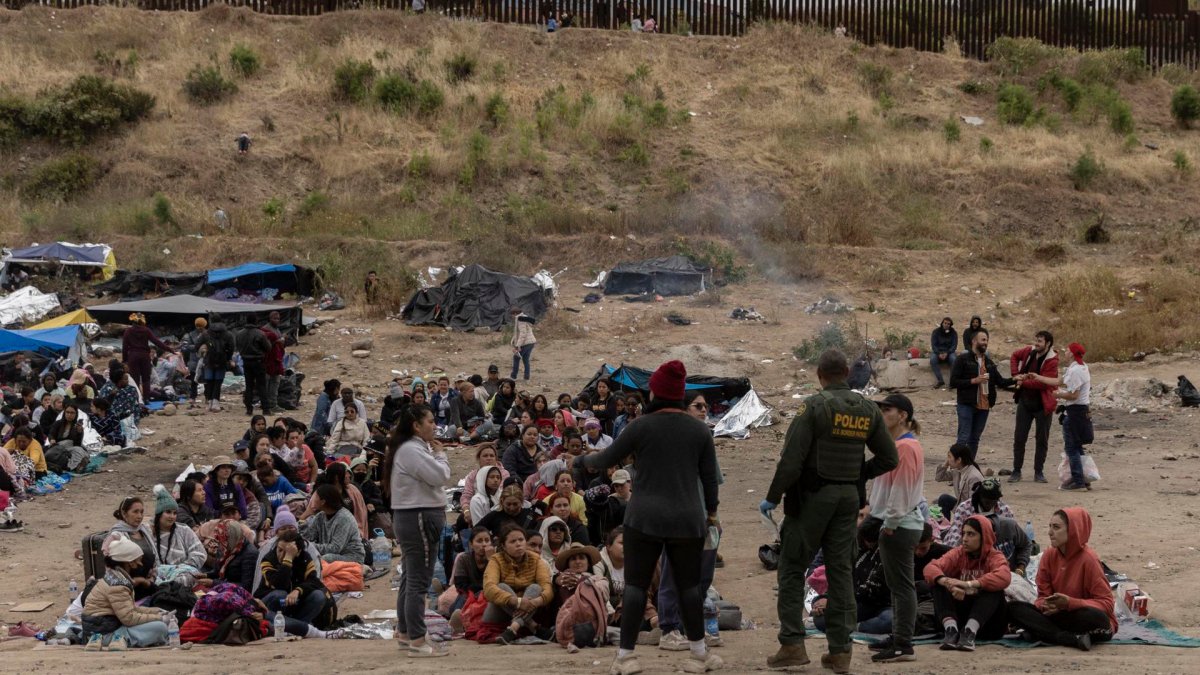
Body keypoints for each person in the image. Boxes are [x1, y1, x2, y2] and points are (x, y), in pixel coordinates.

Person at [761, 349, 898, 673]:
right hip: (849, 499)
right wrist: (858, 474)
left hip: (812, 498)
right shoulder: (867, 408)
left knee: (793, 567)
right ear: (847, 372)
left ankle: (792, 644)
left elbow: (791, 460)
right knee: (841, 572)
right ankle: (840, 652)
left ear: (820, 375)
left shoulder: (814, 406)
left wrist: (772, 497)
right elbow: (889, 458)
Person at [582, 360, 721, 675]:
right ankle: (699, 655)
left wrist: (582, 458)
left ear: (656, 390)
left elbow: (605, 458)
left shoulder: (640, 425)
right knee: (688, 587)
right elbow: (709, 480)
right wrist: (710, 513)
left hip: (644, 518)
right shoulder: (700, 430)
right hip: (688, 518)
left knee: (635, 587)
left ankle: (626, 658)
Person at [382, 403, 451, 658]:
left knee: (411, 577)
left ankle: (405, 632)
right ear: (416, 425)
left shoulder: (410, 448)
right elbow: (440, 476)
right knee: (419, 581)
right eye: (430, 421)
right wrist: (442, 455)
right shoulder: (412, 449)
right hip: (419, 516)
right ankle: (418, 640)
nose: (434, 425)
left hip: (413, 516)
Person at [867, 394, 926, 663]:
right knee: (897, 585)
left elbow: (901, 490)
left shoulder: (906, 448)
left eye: (887, 409)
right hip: (895, 522)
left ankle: (903, 643)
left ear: (902, 415)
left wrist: (889, 524)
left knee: (902, 587)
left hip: (900, 525)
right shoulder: (896, 445)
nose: (881, 414)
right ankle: (898, 636)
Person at [1008, 508, 1116, 651]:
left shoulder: (1089, 559)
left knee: (1096, 617)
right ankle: (1069, 639)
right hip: (1059, 616)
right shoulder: (1048, 555)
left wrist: (1070, 603)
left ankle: (1045, 633)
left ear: (1073, 530)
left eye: (1056, 527)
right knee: (1013, 608)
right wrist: (1046, 605)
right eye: (1050, 527)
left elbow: (1107, 604)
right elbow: (1042, 597)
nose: (1050, 532)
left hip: (1083, 618)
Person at [924, 515, 1011, 651]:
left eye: (971, 534)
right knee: (937, 583)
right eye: (964, 533)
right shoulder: (958, 553)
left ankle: (970, 632)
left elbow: (1004, 576)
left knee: (993, 589)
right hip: (960, 619)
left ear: (984, 536)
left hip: (987, 624)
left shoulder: (994, 556)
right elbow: (930, 568)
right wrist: (948, 583)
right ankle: (951, 630)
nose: (964, 539)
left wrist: (968, 584)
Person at [81, 535, 170, 650]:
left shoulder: (115, 578)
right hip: (103, 634)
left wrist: (158, 612)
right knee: (160, 628)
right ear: (130, 562)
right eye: (138, 560)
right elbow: (129, 618)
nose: (140, 565)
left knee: (158, 624)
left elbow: (130, 609)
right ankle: (120, 640)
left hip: (105, 626)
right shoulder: (117, 585)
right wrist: (158, 618)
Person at [256, 526, 342, 639]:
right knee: (280, 594)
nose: (281, 555)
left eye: (287, 552)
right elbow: (279, 584)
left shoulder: (304, 558)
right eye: (279, 550)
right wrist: (287, 559)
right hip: (272, 604)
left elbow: (314, 581)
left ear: (298, 552)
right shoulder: (268, 560)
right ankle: (285, 627)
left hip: (293, 603)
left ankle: (297, 627)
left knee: (318, 596)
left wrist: (298, 590)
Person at [1027, 342, 1092, 490]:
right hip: (1080, 411)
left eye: (1068, 350)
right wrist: (1038, 377)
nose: (1065, 352)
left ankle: (1078, 481)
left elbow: (1073, 395)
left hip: (1075, 412)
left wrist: (1058, 395)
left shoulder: (1076, 371)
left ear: (1073, 353)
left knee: (1072, 448)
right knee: (1077, 446)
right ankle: (1083, 478)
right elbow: (1059, 381)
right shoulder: (1078, 367)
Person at [483, 524, 554, 644]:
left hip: (530, 607)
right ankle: (533, 626)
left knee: (536, 587)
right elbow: (489, 588)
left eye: (521, 540)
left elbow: (548, 588)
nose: (518, 544)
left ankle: (513, 628)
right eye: (513, 541)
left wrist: (536, 601)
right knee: (501, 587)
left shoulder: (536, 560)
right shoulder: (496, 560)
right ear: (503, 546)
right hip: (501, 611)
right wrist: (518, 602)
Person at [949, 329, 1014, 456]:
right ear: (974, 341)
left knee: (974, 439)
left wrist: (1015, 379)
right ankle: (955, 466)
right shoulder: (962, 359)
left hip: (984, 406)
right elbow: (953, 381)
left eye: (987, 340)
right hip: (966, 404)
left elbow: (1000, 382)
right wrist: (974, 380)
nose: (985, 342)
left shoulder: (989, 363)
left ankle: (969, 466)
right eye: (983, 339)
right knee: (963, 437)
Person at [1009, 331, 1059, 483]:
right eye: (1036, 340)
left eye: (1040, 341)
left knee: (1042, 440)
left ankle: (1039, 472)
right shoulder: (1029, 351)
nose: (1037, 344)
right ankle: (1016, 470)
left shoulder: (1052, 361)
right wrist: (1016, 374)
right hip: (1025, 402)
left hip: (1043, 405)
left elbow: (1043, 383)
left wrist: (1022, 382)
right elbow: (1014, 356)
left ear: (1048, 343)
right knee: (1019, 437)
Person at [151, 485, 207, 585]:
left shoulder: (183, 530)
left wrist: (180, 568)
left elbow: (200, 553)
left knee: (191, 576)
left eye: (175, 513)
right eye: (168, 512)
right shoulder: (149, 532)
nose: (172, 516)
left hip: (183, 573)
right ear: (159, 514)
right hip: (158, 574)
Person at [300, 484, 365, 563]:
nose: (312, 500)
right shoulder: (320, 516)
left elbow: (335, 548)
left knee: (326, 558)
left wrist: (309, 545)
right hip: (332, 554)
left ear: (323, 502)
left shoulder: (344, 518)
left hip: (351, 556)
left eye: (315, 497)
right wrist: (304, 516)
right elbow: (308, 537)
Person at [108, 497, 158, 600]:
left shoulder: (145, 530)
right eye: (135, 512)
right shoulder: (117, 535)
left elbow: (155, 560)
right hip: (129, 584)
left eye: (141, 512)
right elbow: (114, 568)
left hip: (150, 579)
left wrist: (152, 578)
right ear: (124, 513)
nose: (139, 516)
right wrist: (134, 581)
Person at [122, 313, 174, 398]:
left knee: (135, 379)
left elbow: (124, 347)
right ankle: (146, 398)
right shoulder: (146, 330)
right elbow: (156, 341)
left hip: (133, 357)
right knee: (146, 379)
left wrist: (125, 360)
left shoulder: (128, 331)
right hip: (145, 356)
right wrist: (169, 349)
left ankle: (137, 398)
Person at [204, 518, 259, 591]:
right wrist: (206, 575)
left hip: (238, 594)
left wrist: (214, 583)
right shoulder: (226, 549)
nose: (220, 542)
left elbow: (245, 586)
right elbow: (218, 571)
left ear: (231, 538)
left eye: (222, 539)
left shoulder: (250, 554)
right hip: (223, 586)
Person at [196, 315, 236, 412]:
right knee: (218, 382)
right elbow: (232, 347)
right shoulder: (228, 334)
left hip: (209, 360)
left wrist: (202, 352)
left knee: (209, 381)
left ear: (211, 321)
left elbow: (197, 345)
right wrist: (228, 358)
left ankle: (209, 402)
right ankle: (216, 402)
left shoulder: (206, 334)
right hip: (222, 361)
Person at [935, 443, 983, 515]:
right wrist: (946, 464)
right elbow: (939, 477)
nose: (948, 460)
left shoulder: (973, 477)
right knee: (944, 499)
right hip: (962, 506)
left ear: (959, 460)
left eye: (949, 457)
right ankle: (945, 525)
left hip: (972, 511)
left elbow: (974, 505)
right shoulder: (958, 470)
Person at [236, 322, 271, 416]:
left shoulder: (239, 333)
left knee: (249, 386)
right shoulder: (260, 333)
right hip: (258, 362)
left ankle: (249, 409)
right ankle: (266, 409)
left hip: (246, 362)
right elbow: (268, 347)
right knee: (261, 386)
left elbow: (238, 346)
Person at [205, 455, 248, 519]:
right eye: (223, 467)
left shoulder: (236, 486)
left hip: (237, 521)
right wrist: (226, 516)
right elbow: (209, 511)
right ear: (216, 470)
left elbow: (243, 509)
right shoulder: (208, 488)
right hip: (217, 522)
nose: (227, 470)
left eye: (229, 467)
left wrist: (236, 516)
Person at [261, 314, 285, 413]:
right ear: (270, 319)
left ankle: (273, 404)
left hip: (276, 361)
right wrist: (278, 341)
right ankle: (266, 405)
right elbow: (265, 344)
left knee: (275, 383)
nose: (276, 320)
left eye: (278, 319)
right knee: (266, 384)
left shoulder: (277, 330)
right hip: (267, 361)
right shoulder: (265, 330)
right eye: (274, 318)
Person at [929, 317, 958, 388]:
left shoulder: (953, 333)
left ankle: (952, 382)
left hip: (949, 352)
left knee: (954, 360)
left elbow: (954, 346)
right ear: (942, 323)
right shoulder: (936, 332)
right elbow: (934, 345)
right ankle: (940, 380)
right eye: (945, 323)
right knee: (932, 360)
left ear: (950, 325)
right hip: (938, 352)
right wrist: (939, 353)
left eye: (948, 324)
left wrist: (947, 353)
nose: (946, 325)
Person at [510, 307, 537, 381]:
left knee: (516, 358)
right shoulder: (524, 317)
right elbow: (518, 333)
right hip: (531, 342)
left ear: (515, 314)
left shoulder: (520, 319)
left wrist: (517, 346)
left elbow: (523, 334)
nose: (511, 317)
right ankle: (526, 377)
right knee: (525, 359)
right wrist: (513, 341)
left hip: (526, 343)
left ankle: (513, 377)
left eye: (512, 315)